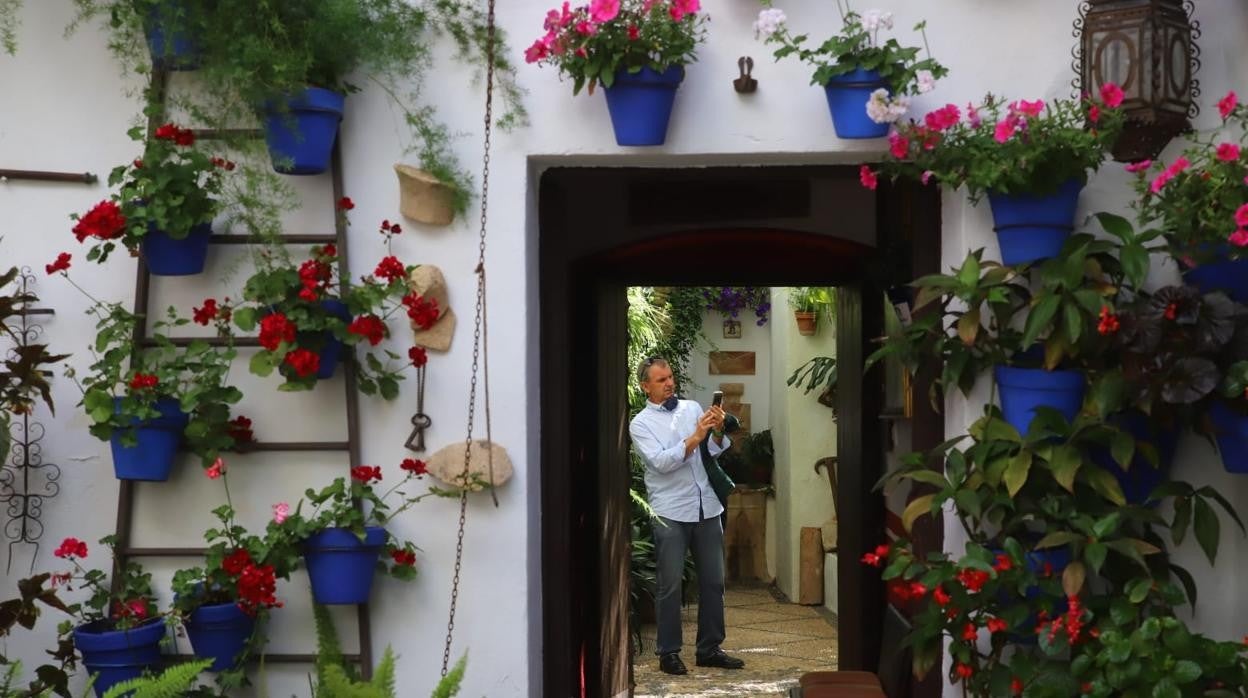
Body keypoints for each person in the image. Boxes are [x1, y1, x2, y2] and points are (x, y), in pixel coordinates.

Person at [628, 356, 745, 676]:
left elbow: (714, 451)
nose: (669, 384)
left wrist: (717, 432)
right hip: (670, 511)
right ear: (645, 386)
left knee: (713, 582)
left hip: (707, 507)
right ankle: (668, 653)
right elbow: (662, 463)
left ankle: (709, 648)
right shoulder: (640, 424)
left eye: (670, 378)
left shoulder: (693, 408)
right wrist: (695, 436)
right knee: (669, 586)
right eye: (661, 380)